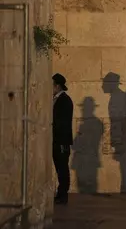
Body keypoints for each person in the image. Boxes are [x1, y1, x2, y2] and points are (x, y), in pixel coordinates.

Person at [52, 73, 73, 205]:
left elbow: (63, 122)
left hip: (61, 140)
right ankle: (60, 193)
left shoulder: (64, 100)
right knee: (59, 167)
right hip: (56, 140)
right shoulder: (56, 99)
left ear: (57, 86)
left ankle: (63, 195)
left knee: (62, 168)